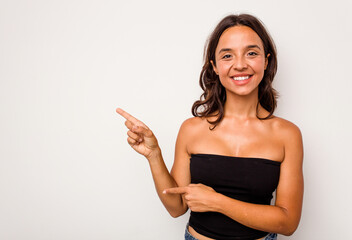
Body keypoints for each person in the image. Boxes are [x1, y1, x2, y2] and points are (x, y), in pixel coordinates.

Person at [117, 13, 303, 240]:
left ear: (266, 60)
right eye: (227, 56)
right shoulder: (191, 129)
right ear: (214, 66)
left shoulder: (287, 134)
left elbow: (288, 222)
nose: (240, 64)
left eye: (251, 53)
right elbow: (177, 208)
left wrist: (218, 202)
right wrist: (154, 155)